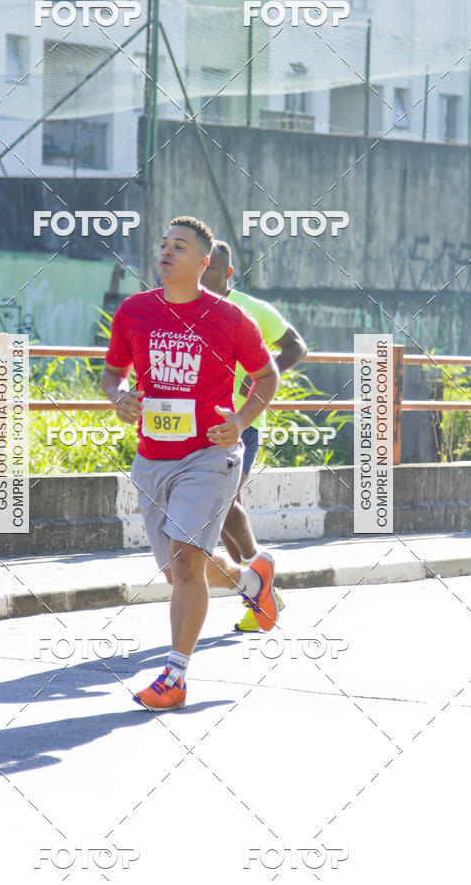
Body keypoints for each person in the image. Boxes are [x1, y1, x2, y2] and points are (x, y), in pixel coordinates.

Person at [100, 216, 280, 711]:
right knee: (182, 570)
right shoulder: (134, 311)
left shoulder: (229, 318)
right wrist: (119, 398)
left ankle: (175, 677)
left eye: (178, 246)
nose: (166, 252)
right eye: (162, 244)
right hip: (153, 459)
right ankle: (253, 580)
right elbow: (112, 373)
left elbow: (267, 375)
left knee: (185, 563)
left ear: (203, 263)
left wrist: (241, 421)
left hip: (210, 455)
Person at [200, 240, 308, 631]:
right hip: (197, 427)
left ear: (227, 274)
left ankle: (262, 586)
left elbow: (296, 347)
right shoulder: (183, 308)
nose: (204, 273)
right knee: (228, 508)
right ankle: (261, 594)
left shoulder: (252, 311)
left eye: (212, 268)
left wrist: (255, 378)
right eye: (200, 265)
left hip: (242, 426)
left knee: (223, 501)